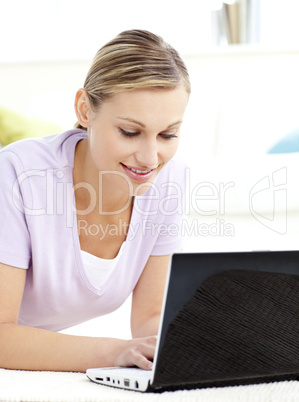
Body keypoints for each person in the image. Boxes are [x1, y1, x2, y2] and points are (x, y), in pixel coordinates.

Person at [0, 30, 190, 372]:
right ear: (84, 110)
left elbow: (151, 318)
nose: (150, 158)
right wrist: (114, 352)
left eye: (167, 135)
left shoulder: (168, 181)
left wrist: (198, 347)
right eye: (130, 132)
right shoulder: (18, 174)